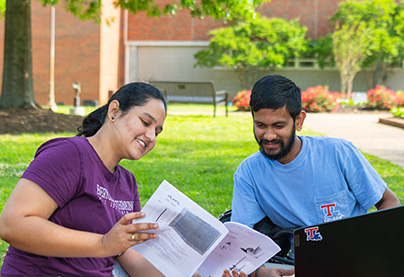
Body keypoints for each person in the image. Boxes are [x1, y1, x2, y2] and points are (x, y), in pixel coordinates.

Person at [230, 74, 401, 277]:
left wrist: (374, 251)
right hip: (299, 268)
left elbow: (388, 202)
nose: (268, 136)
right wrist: (260, 273)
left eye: (278, 126)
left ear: (299, 120)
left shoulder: (339, 152)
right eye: (260, 126)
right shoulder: (249, 172)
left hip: (358, 263)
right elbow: (239, 241)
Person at [0, 82, 168, 276]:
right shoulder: (69, 154)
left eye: (156, 132)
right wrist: (103, 244)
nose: (150, 136)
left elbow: (126, 252)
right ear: (114, 111)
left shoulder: (127, 183)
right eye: (146, 123)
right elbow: (13, 224)